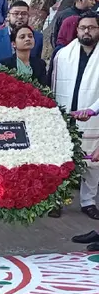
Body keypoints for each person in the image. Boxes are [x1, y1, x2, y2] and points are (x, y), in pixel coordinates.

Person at [53, 12, 99, 220]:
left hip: (94, 119)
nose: (86, 31)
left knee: (92, 164)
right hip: (66, 116)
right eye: (83, 28)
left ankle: (88, 201)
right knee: (61, 161)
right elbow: (53, 85)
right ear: (77, 30)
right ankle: (57, 200)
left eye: (91, 27)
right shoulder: (63, 55)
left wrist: (91, 110)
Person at [0, 0, 44, 65]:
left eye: (24, 14)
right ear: (8, 16)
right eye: (16, 13)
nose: (20, 17)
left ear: (28, 16)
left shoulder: (38, 38)